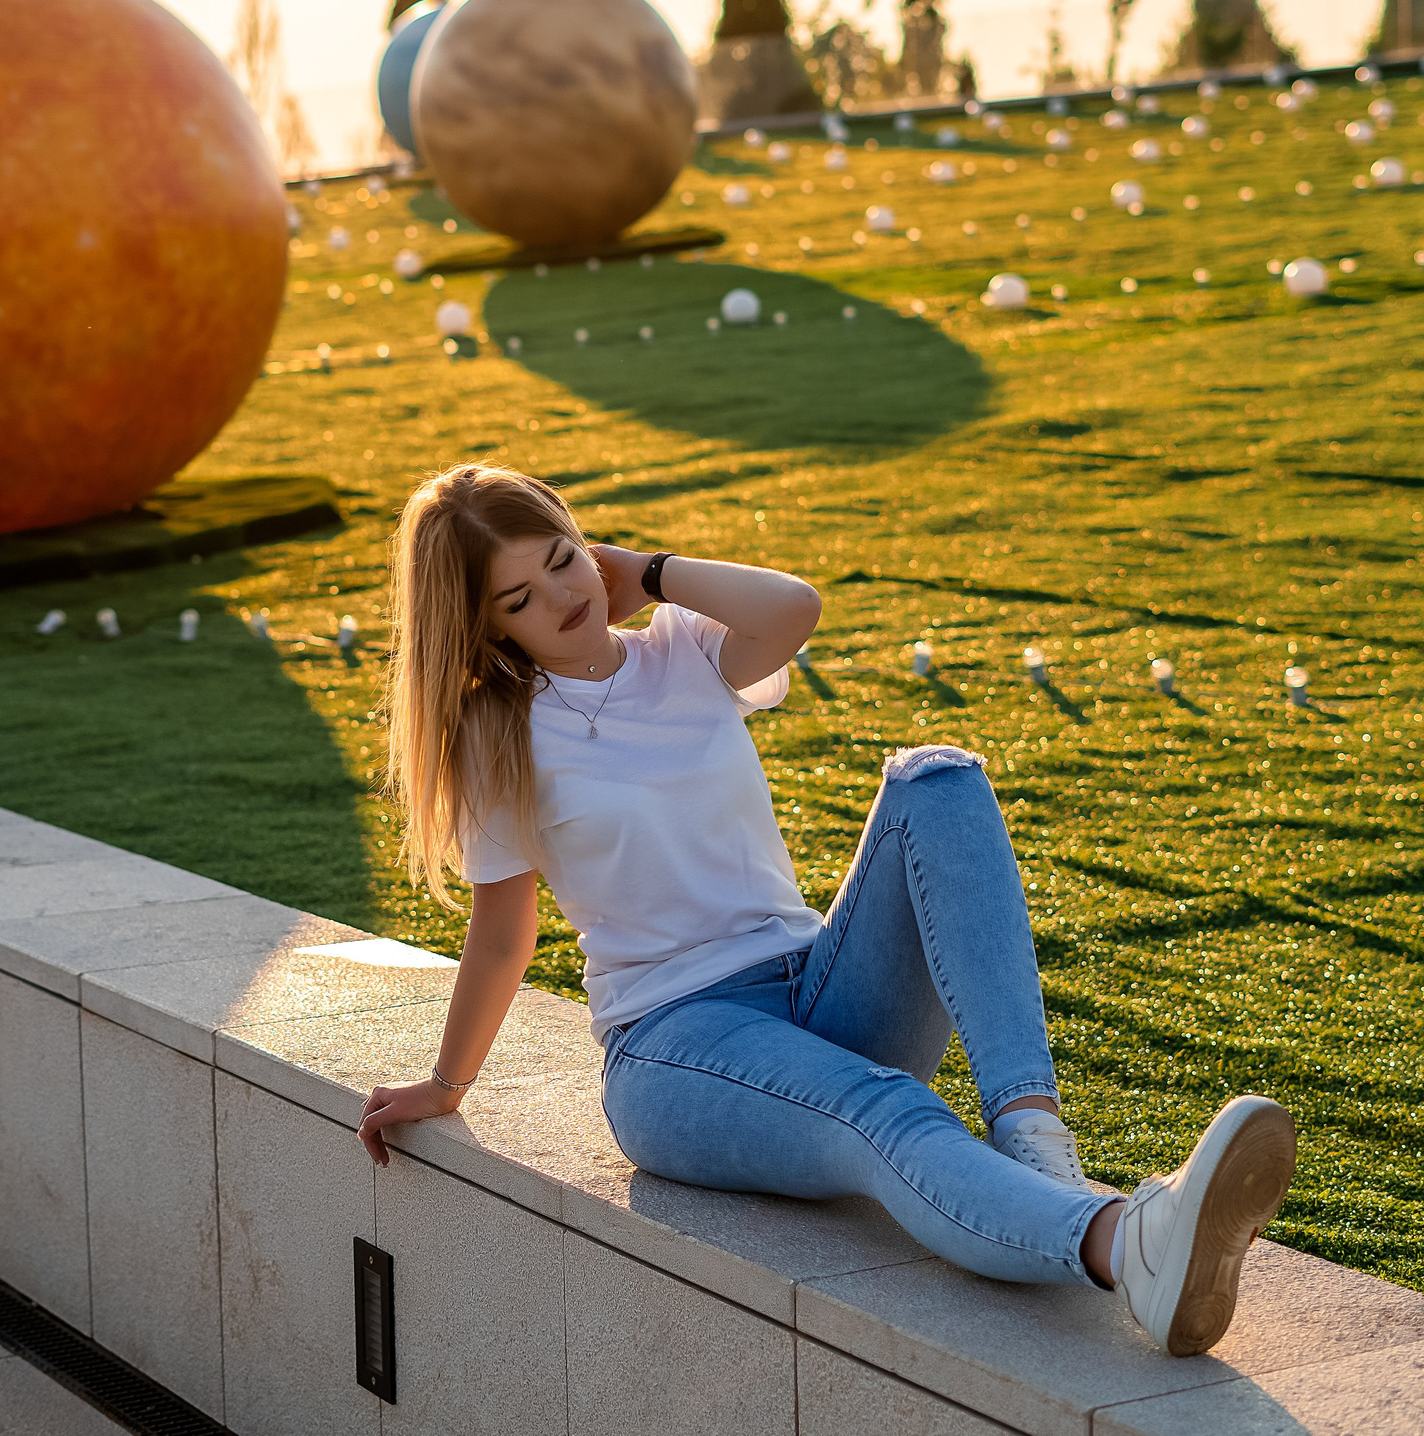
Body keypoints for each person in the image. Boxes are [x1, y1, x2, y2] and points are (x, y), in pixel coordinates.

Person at [358, 464, 1295, 1354]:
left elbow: (795, 607)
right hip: (675, 1041)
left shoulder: (682, 647)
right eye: (518, 598)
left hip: (816, 983)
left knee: (938, 776)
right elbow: (502, 931)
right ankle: (1127, 1244)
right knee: (884, 1107)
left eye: (562, 558)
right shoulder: (498, 730)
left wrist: (648, 572)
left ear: (584, 540)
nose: (560, 596)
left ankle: (1035, 1138)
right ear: (488, 629)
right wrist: (446, 1084)